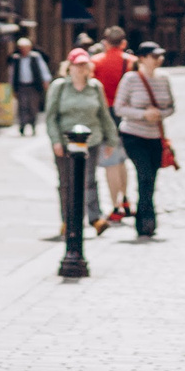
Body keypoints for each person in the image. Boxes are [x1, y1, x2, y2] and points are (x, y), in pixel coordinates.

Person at [43, 49, 125, 233]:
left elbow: (104, 114)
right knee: (65, 182)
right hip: (65, 143)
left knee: (89, 180)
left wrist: (111, 139)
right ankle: (68, 219)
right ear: (69, 66)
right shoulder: (59, 87)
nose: (80, 69)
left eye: (83, 65)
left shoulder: (95, 86)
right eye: (77, 65)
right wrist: (56, 140)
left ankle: (95, 218)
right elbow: (51, 117)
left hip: (91, 140)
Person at [114, 42, 177, 238]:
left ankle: (144, 218)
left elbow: (172, 106)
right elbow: (119, 108)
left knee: (151, 179)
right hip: (133, 135)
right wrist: (143, 115)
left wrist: (159, 114)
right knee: (145, 175)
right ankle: (147, 221)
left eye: (160, 55)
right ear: (142, 58)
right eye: (154, 56)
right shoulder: (130, 79)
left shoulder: (164, 79)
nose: (159, 59)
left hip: (155, 137)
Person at [90, 26, 133, 225]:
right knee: (122, 161)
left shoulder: (96, 62)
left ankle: (115, 207)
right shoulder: (132, 63)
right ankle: (125, 200)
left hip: (106, 115)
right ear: (124, 43)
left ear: (105, 43)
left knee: (111, 162)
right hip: (129, 116)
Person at [9, 37, 52, 135]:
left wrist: (46, 82)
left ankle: (33, 125)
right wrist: (12, 87)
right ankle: (22, 126)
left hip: (33, 86)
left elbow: (43, 69)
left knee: (33, 107)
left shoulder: (35, 57)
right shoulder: (16, 59)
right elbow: (12, 74)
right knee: (22, 107)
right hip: (21, 86)